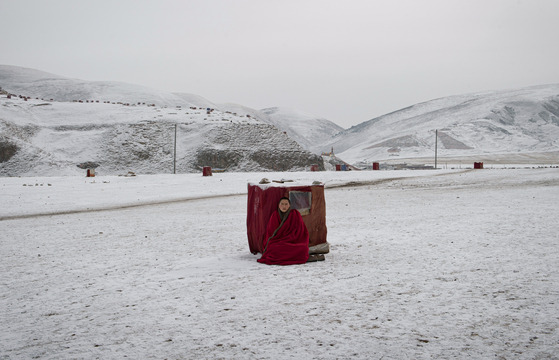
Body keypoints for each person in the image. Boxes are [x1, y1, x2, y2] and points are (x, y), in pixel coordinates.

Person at [258, 197, 312, 265]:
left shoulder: (295, 214)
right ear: (279, 205)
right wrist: (281, 240)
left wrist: (290, 238)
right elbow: (271, 232)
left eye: (286, 204)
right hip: (278, 241)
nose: (284, 206)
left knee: (303, 248)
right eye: (282, 204)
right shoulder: (275, 215)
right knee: (273, 248)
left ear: (289, 205)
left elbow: (300, 231)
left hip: (292, 241)